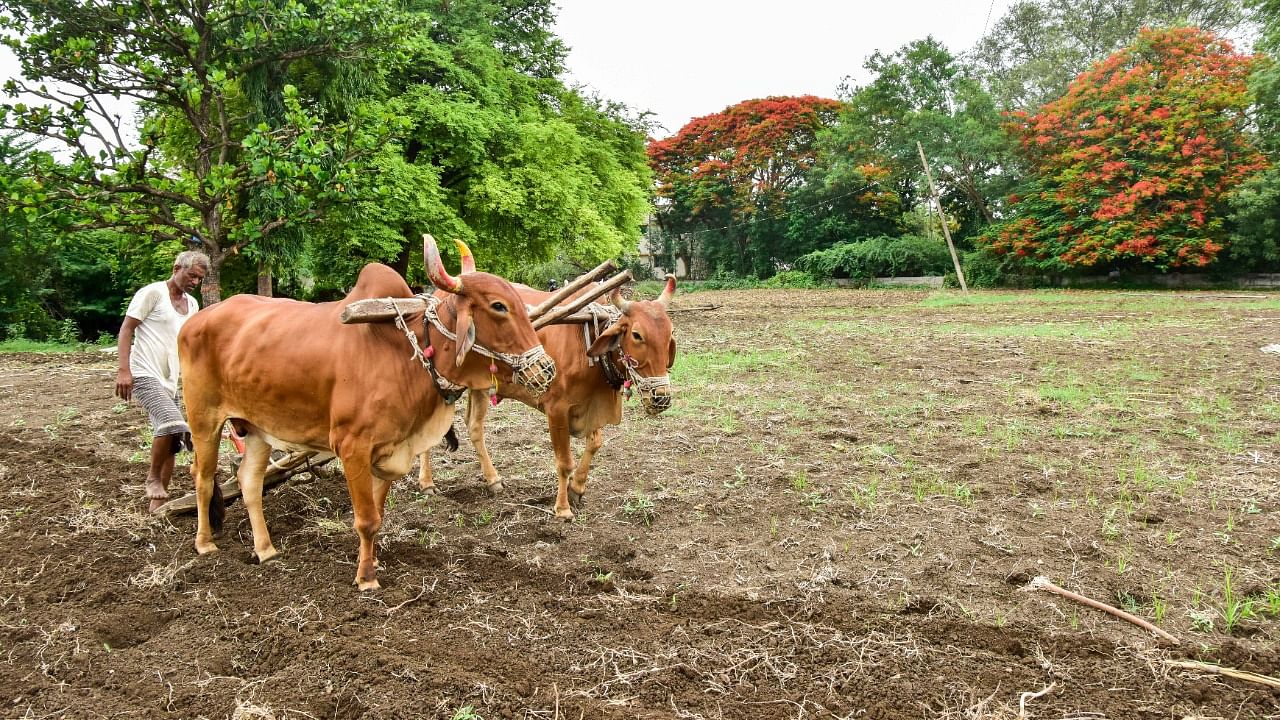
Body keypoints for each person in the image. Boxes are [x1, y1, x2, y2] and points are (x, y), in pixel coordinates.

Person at [115, 250, 210, 512]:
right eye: (191, 276)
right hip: (144, 372)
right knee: (172, 424)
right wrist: (124, 371)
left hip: (171, 378)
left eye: (199, 279)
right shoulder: (153, 293)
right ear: (176, 267)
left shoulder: (192, 305)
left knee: (172, 437)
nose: (195, 282)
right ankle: (153, 478)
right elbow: (126, 329)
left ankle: (157, 505)